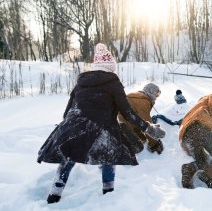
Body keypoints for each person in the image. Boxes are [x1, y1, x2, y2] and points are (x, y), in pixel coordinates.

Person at [37, 43, 165, 204]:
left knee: (69, 155)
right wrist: (149, 128)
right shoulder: (114, 83)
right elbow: (128, 113)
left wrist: (67, 129)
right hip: (103, 128)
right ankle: (108, 193)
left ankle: (54, 195)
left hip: (72, 125)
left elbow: (67, 111)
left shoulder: (80, 84)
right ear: (111, 68)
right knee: (109, 154)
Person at [179, 92, 212, 189]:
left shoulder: (199, 104)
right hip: (201, 129)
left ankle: (190, 168)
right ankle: (210, 172)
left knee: (202, 160)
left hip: (186, 136)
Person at [118, 83, 164, 155]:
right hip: (121, 128)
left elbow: (136, 120)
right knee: (137, 148)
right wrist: (154, 143)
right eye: (156, 94)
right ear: (150, 92)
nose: (156, 97)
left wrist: (142, 136)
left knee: (142, 140)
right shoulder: (143, 102)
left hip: (120, 124)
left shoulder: (137, 97)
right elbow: (147, 123)